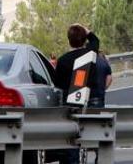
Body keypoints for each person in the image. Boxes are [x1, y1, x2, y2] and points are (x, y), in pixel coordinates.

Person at [53, 24, 101, 164]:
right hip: (88, 102)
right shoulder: (89, 54)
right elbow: (96, 41)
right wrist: (87, 31)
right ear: (84, 39)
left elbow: (57, 84)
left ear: (69, 40)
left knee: (70, 139)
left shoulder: (62, 61)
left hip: (68, 104)